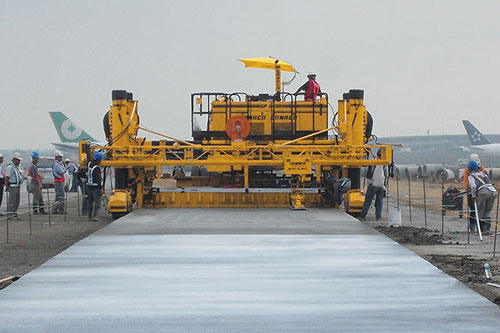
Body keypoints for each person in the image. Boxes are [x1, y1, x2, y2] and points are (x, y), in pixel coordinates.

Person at [468, 160, 496, 234]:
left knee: (480, 211)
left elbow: (473, 186)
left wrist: (473, 195)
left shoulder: (471, 176)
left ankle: (481, 231)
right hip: (492, 192)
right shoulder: (484, 174)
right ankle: (487, 229)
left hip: (482, 193)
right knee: (488, 211)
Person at [360, 149, 388, 221]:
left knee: (368, 200)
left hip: (373, 184)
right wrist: (385, 186)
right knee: (379, 201)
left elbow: (369, 174)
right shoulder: (385, 163)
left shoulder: (373, 162)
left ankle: (363, 214)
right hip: (381, 185)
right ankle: (378, 216)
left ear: (377, 154)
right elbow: (386, 175)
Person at [464, 153, 485, 232]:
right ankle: (474, 227)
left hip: (479, 191)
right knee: (474, 209)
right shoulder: (467, 170)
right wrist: (468, 186)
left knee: (479, 209)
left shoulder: (482, 169)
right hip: (473, 192)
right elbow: (466, 181)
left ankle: (480, 227)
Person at [4, 152, 24, 219]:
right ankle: (10, 214)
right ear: (14, 159)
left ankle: (14, 213)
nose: (19, 162)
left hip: (17, 185)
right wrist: (7, 187)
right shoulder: (10, 167)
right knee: (12, 201)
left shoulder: (17, 167)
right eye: (18, 160)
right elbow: (7, 177)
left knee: (16, 201)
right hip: (12, 186)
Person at [87, 152, 103, 221]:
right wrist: (101, 188)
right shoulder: (96, 168)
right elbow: (98, 179)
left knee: (90, 202)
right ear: (98, 160)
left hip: (89, 186)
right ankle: (95, 216)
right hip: (95, 187)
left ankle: (89, 216)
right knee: (97, 202)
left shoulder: (89, 164)